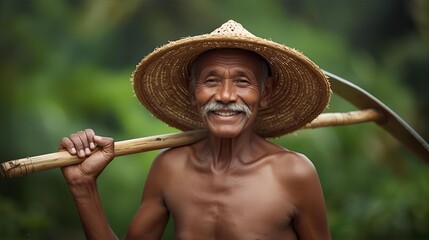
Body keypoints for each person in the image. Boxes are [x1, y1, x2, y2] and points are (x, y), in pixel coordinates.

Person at [59, 20, 331, 239]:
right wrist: (83, 186)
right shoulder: (170, 168)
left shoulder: (293, 173)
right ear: (192, 92)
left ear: (265, 92)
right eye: (211, 80)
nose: (225, 95)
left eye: (242, 82)